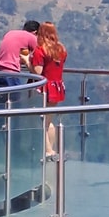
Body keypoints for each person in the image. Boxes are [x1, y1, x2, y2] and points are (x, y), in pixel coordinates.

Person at [32, 22, 67, 159]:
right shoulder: (61, 49)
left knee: (41, 121)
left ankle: (47, 151)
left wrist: (27, 61)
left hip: (44, 88)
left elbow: (38, 72)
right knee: (49, 120)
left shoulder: (40, 50)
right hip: (57, 87)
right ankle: (51, 149)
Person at [0, 20, 40, 104]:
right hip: (11, 74)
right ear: (36, 32)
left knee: (1, 107)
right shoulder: (32, 37)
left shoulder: (11, 33)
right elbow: (40, 55)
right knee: (14, 105)